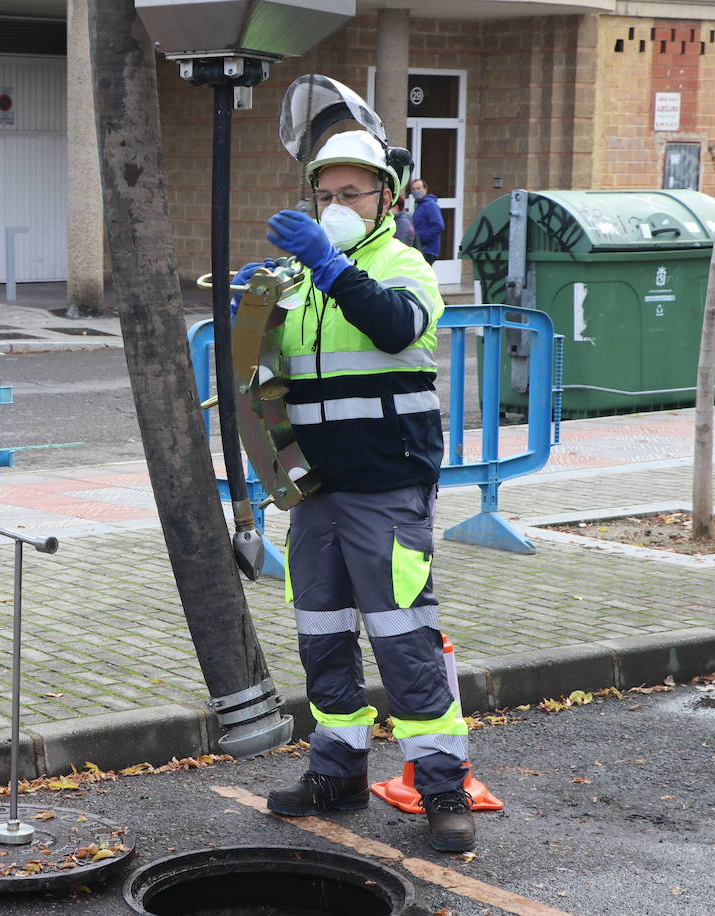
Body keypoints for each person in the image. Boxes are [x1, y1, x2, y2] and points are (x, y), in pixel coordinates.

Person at [233, 130, 475, 852]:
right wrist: (257, 310)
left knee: (404, 639)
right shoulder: (300, 279)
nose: (335, 204)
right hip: (313, 490)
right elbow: (267, 378)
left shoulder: (405, 266)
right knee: (323, 635)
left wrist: (327, 261)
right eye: (325, 194)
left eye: (351, 193)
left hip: (387, 484)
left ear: (386, 199)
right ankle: (336, 772)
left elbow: (396, 327)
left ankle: (441, 789)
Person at [409, 178, 445, 265]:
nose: (416, 191)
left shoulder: (430, 205)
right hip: (421, 248)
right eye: (413, 189)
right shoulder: (420, 205)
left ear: (425, 189)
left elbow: (439, 226)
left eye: (418, 188)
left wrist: (420, 238)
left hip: (428, 250)